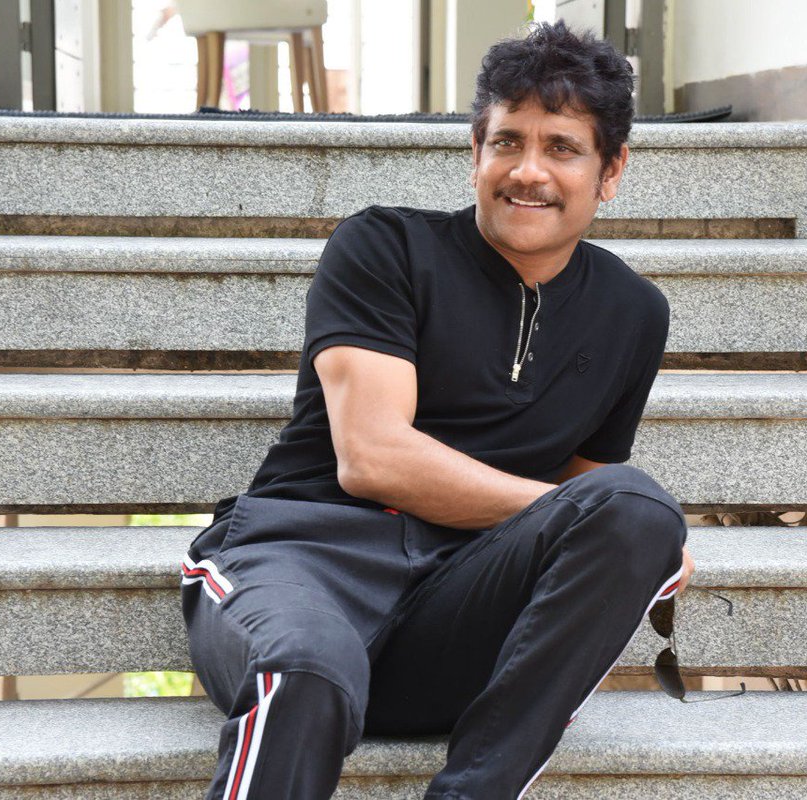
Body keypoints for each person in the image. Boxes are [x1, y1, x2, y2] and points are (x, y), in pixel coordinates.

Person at [180, 19, 694, 800]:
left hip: (454, 617)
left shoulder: (632, 313)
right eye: (507, 141)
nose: (528, 171)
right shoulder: (384, 247)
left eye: (562, 148)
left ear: (611, 170)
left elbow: (588, 512)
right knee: (307, 671)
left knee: (637, 511)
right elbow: (374, 459)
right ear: (475, 153)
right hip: (307, 563)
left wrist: (623, 530)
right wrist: (573, 512)